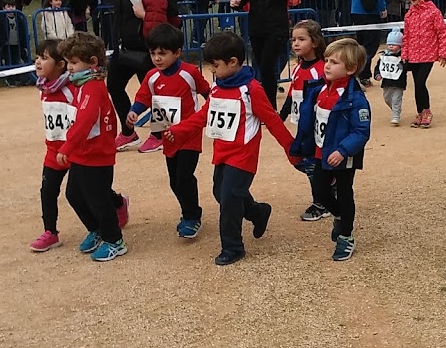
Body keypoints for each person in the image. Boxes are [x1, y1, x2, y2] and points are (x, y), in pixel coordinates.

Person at [164, 31, 297, 266]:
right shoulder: (217, 88)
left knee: (229, 199)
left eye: (215, 66)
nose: (212, 71)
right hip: (222, 152)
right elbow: (203, 115)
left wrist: (291, 149)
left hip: (244, 154)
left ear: (233, 62)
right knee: (221, 193)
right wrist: (179, 130)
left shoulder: (252, 89)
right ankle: (257, 212)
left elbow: (272, 120)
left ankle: (233, 247)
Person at [30, 38, 129, 252]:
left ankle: (114, 240)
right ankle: (95, 230)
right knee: (74, 194)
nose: (70, 68)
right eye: (68, 62)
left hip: (93, 153)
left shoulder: (91, 87)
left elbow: (86, 120)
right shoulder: (83, 85)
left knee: (98, 198)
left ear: (92, 62)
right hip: (79, 151)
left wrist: (68, 147)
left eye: (73, 63)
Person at [289, 38, 372, 262]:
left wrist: (343, 150)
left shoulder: (356, 99)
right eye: (326, 60)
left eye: (334, 62)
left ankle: (346, 235)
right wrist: (302, 143)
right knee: (320, 191)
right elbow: (309, 120)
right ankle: (339, 215)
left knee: (344, 193)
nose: (327, 65)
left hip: (343, 156)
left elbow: (361, 131)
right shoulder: (319, 90)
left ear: (351, 69)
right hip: (320, 152)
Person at [126, 24, 210, 237]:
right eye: (153, 53)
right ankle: (187, 212)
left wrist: (213, 111)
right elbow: (144, 97)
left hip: (189, 134)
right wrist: (134, 111)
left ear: (177, 52)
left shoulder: (190, 72)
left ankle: (192, 216)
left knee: (184, 177)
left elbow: (208, 92)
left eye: (162, 53)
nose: (157, 58)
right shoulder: (152, 76)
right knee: (174, 181)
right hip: (168, 135)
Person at [104, 0, 180, 152]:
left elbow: (171, 9)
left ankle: (159, 135)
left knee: (156, 92)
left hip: (148, 46)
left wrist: (146, 16)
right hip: (124, 46)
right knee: (114, 85)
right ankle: (129, 132)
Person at [230, 0, 294, 108]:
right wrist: (236, 2)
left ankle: (269, 106)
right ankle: (260, 104)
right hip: (256, 29)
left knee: (267, 66)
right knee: (259, 66)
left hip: (276, 29)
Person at [283, 20, 330, 220]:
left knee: (312, 163)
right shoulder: (297, 67)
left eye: (301, 39)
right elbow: (292, 93)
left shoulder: (321, 69)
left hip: (315, 125)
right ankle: (329, 183)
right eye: (293, 39)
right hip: (301, 123)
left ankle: (321, 203)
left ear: (315, 42)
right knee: (300, 160)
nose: (296, 43)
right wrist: (282, 114)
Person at [402, 0, 446, 128]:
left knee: (420, 82)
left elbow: (443, 32)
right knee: (417, 85)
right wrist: (404, 54)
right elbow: (406, 36)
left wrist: (443, 53)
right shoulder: (409, 15)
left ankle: (427, 112)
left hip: (428, 55)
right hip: (413, 56)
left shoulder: (433, 12)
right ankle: (420, 112)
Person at [373, 28, 406, 126]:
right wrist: (377, 74)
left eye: (394, 44)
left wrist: (403, 64)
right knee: (387, 98)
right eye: (389, 44)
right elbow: (378, 67)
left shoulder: (403, 56)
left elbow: (407, 67)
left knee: (396, 99)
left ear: (400, 45)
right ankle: (396, 109)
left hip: (399, 83)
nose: (391, 46)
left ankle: (396, 116)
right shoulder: (383, 56)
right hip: (386, 83)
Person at [0, 0, 31, 74]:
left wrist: (24, 42)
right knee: (8, 61)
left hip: (17, 44)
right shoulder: (1, 19)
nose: (11, 8)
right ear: (3, 8)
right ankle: (9, 76)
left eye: (13, 6)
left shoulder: (19, 18)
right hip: (6, 44)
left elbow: (23, 31)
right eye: (8, 6)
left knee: (16, 60)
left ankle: (17, 75)